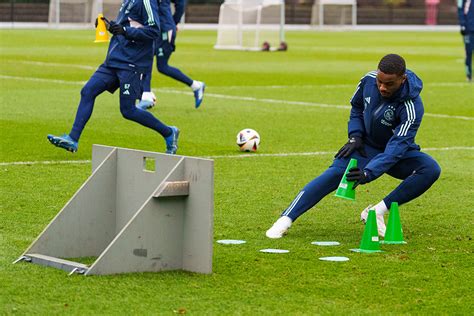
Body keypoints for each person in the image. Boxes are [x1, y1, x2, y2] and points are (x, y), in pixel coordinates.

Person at [266, 54, 441, 239]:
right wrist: (355, 136)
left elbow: (397, 147)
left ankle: (377, 212)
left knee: (430, 169)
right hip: (365, 146)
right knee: (332, 174)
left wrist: (368, 173)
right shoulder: (368, 80)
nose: (382, 87)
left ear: (402, 79)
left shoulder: (412, 106)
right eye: (380, 82)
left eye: (389, 84)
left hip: (395, 152)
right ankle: (285, 219)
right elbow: (356, 107)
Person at [47, 0, 180, 155]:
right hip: (114, 60)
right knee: (88, 91)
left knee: (128, 111)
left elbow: (153, 31)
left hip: (132, 63)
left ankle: (169, 132)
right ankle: (73, 139)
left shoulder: (146, 1)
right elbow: (126, 26)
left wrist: (123, 30)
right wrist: (109, 25)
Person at [137, 0, 206, 110]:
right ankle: (145, 95)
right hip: (156, 29)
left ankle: (146, 95)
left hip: (164, 29)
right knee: (145, 60)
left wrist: (173, 22)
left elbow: (181, 3)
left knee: (157, 64)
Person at [458, 0, 474, 82]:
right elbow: (460, 10)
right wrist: (462, 24)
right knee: (469, 52)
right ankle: (469, 75)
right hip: (468, 29)